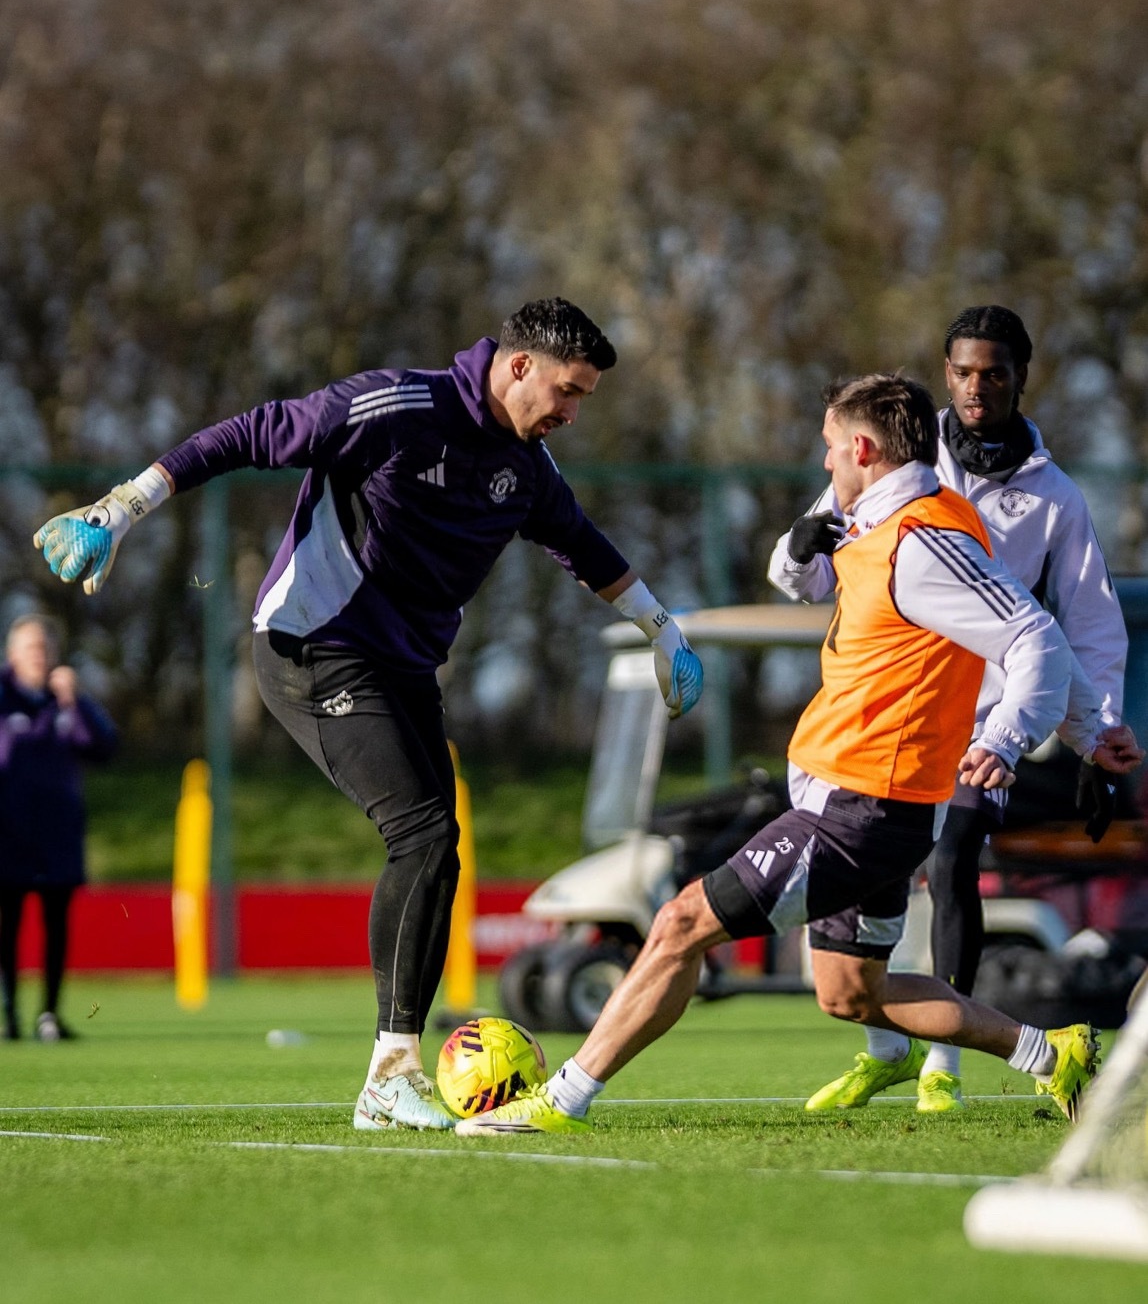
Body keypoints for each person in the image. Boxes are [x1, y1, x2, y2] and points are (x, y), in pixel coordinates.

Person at [33, 297, 703, 1128]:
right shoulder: (394, 406)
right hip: (308, 648)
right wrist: (123, 508)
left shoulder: (527, 465)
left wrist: (662, 628)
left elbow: (581, 544)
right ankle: (389, 1074)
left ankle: (392, 1072)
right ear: (520, 366)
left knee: (439, 849)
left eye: (584, 399)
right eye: (568, 391)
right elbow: (248, 433)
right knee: (421, 834)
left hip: (406, 668)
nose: (571, 411)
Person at [453, 371, 1106, 1137]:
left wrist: (1006, 738)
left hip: (863, 809)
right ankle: (1050, 1052)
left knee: (677, 923)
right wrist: (800, 554)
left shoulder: (922, 541)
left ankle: (559, 1101)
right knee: (849, 993)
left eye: (830, 449)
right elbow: (800, 567)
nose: (824, 463)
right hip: (871, 805)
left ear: (862, 447)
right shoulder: (880, 517)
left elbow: (1037, 638)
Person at [769, 306, 1143, 1115]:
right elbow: (811, 567)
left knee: (954, 851)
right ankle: (888, 1047)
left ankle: (945, 1060)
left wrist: (1095, 734)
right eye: (965, 371)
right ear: (947, 374)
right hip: (883, 714)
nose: (978, 386)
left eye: (995, 372)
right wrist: (796, 551)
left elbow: (1085, 621)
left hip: (983, 728)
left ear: (1020, 377)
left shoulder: (1056, 498)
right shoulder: (899, 457)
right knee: (860, 873)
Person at [0, 615, 117, 1041]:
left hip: (57, 835)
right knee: (7, 926)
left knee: (56, 925)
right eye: (31, 647)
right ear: (13, 653)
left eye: (45, 648)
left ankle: (48, 1014)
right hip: (8, 834)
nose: (39, 656)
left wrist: (75, 701)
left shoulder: (65, 699)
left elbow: (103, 748)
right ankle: (8, 1014)